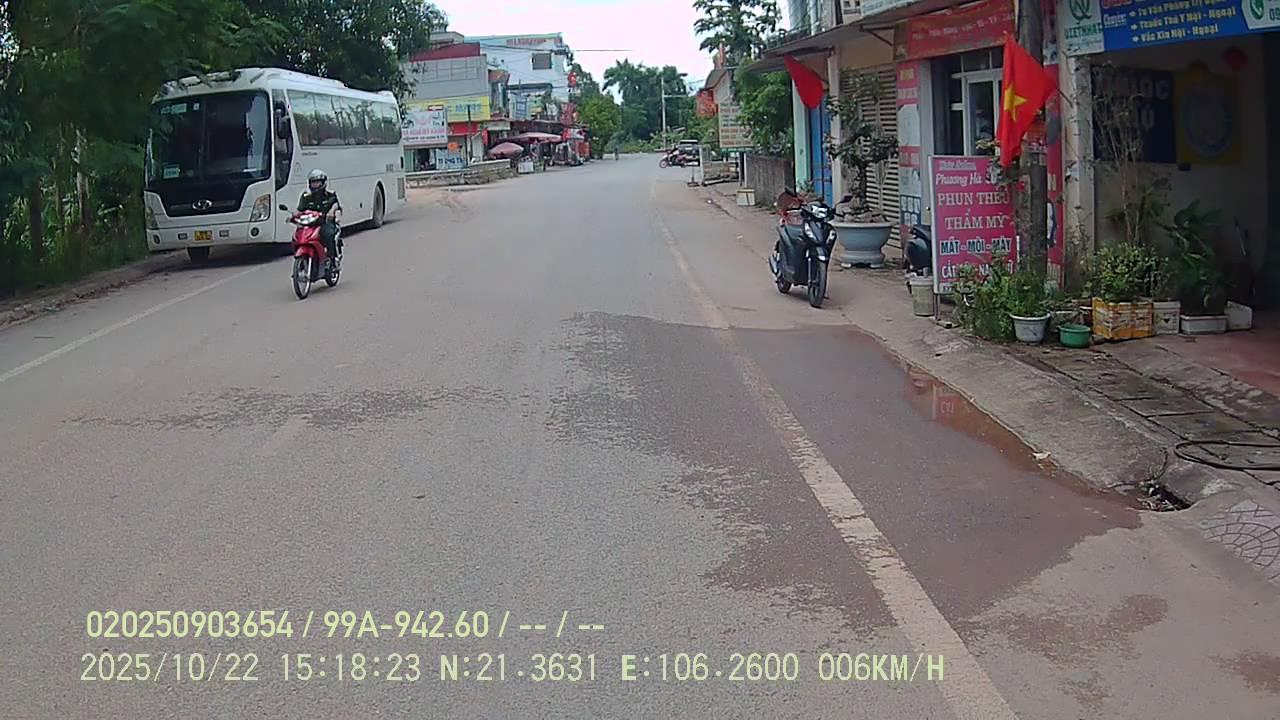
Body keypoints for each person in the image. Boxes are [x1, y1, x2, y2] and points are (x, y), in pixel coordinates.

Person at [296, 169, 342, 267]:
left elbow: (336, 205)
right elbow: (300, 210)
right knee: (298, 235)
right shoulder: (305, 196)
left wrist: (331, 212)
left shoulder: (330, 195)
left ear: (323, 183)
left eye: (317, 182)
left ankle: (332, 259)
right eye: (313, 182)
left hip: (325, 223)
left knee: (328, 234)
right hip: (311, 224)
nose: (315, 185)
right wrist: (293, 217)